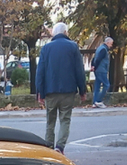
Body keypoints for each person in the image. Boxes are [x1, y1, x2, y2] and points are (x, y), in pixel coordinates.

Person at [33, 23, 87, 153]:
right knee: (65, 119)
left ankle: (49, 146)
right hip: (68, 91)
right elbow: (79, 70)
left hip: (50, 90)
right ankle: (60, 147)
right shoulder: (73, 47)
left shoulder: (46, 48)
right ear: (66, 32)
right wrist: (82, 90)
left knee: (50, 121)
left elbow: (40, 72)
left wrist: (39, 91)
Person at [92, 36, 113, 108]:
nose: (111, 46)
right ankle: (99, 100)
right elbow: (98, 59)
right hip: (101, 70)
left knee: (97, 86)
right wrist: (96, 66)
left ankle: (95, 102)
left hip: (98, 70)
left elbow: (94, 58)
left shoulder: (99, 48)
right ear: (107, 43)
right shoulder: (104, 50)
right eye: (111, 44)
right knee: (106, 85)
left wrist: (93, 66)